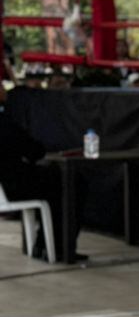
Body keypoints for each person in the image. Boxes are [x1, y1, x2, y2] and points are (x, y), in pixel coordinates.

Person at [0, 82, 80, 262]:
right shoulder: (4, 123)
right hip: (13, 186)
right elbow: (34, 151)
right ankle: (59, 246)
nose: (5, 90)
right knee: (70, 182)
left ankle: (44, 244)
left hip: (6, 187)